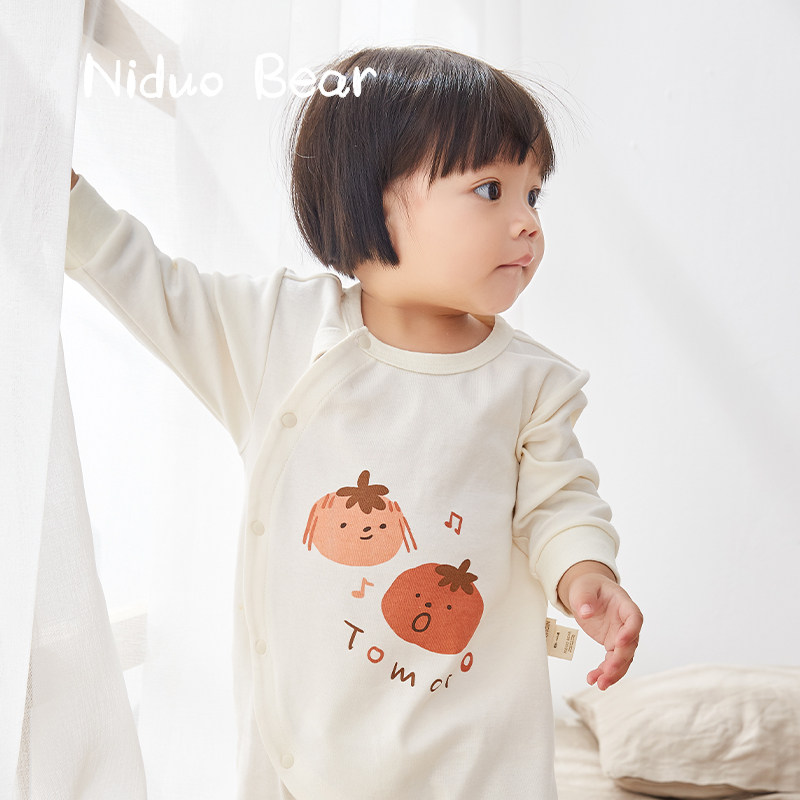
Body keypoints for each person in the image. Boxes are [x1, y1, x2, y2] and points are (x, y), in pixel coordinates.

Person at [67, 44, 642, 800]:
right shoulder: (278, 334)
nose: (527, 223)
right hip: (304, 754)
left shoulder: (532, 383)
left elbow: (559, 502)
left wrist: (584, 572)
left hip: (472, 757)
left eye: (534, 195)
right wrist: (57, 191)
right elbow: (150, 284)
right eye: (491, 189)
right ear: (367, 197)